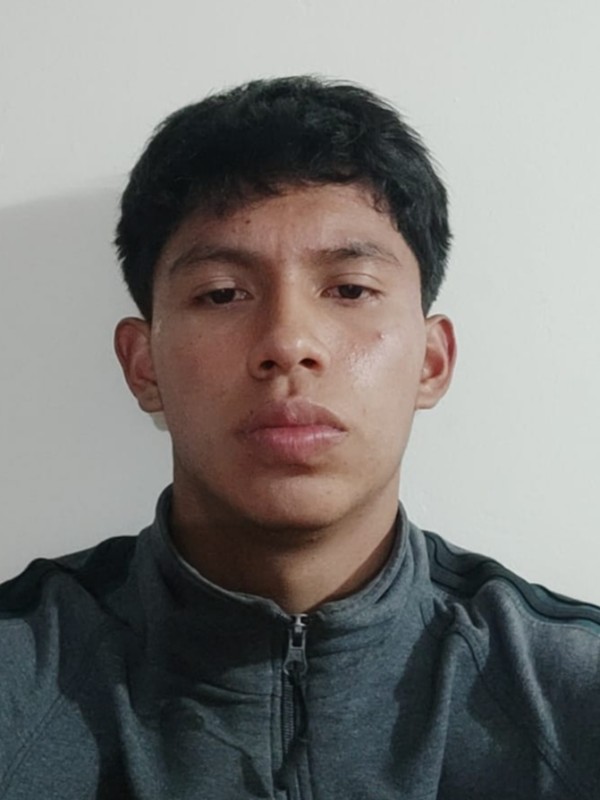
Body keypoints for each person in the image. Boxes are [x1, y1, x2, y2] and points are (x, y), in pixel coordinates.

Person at [0, 76, 598, 800]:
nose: (287, 343)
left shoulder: (571, 697)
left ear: (432, 361)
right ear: (143, 364)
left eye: (349, 289)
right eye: (223, 293)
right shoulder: (19, 677)